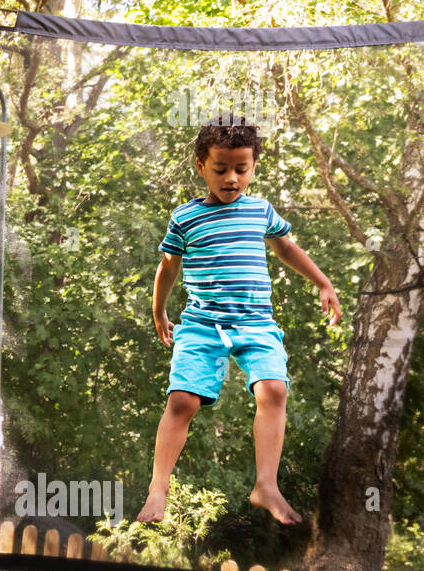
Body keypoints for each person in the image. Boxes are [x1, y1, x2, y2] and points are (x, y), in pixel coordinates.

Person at [139, 114, 342, 526]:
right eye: (220, 169)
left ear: (252, 168)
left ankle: (266, 485)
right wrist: (159, 310)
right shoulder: (185, 218)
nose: (231, 178)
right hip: (201, 323)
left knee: (275, 391)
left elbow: (287, 248)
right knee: (182, 401)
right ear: (201, 167)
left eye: (241, 169)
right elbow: (168, 268)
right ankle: (158, 486)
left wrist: (323, 282)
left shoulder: (260, 210)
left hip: (256, 323)